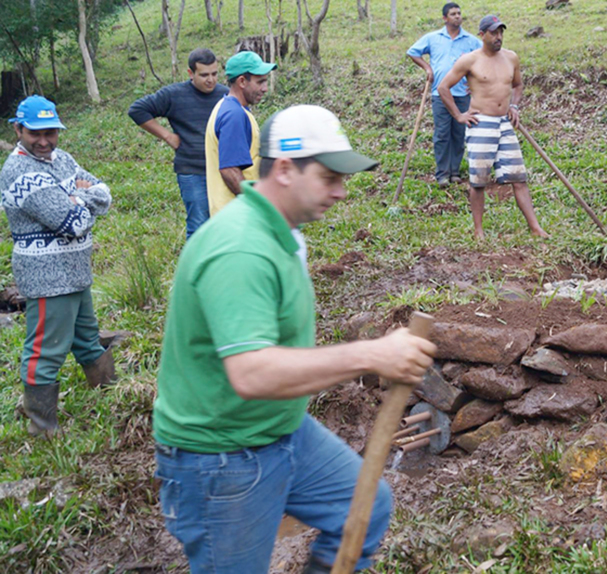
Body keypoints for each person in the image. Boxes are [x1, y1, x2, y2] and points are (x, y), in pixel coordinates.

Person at [152, 105, 437, 574]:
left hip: (281, 432)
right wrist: (372, 354)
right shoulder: (241, 248)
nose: (342, 192)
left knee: (362, 513)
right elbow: (253, 372)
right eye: (329, 177)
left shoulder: (281, 231)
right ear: (284, 168)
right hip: (221, 457)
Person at [1, 95, 116, 438]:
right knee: (45, 351)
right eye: (35, 133)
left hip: (76, 272)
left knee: (87, 341)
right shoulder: (20, 171)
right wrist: (80, 199)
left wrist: (78, 197)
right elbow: (73, 223)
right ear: (18, 129)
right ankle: (43, 428)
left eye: (50, 132)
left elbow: (104, 193)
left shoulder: (61, 159)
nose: (44, 141)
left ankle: (110, 400)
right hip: (49, 276)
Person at [437, 15, 548, 240]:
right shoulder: (469, 60)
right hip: (481, 122)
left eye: (501, 32)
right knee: (479, 180)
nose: (498, 37)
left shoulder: (511, 57)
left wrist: (514, 105)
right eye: (494, 33)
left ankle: (535, 228)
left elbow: (517, 85)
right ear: (482, 35)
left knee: (519, 177)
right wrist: (459, 115)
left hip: (505, 123)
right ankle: (479, 231)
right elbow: (443, 87)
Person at [129, 48, 229, 238]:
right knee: (198, 225)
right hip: (192, 170)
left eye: (215, 74)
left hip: (222, 171)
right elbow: (137, 110)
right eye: (204, 75)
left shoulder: (225, 96)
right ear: (191, 73)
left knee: (224, 223)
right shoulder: (174, 94)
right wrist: (167, 136)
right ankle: (196, 266)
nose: (211, 80)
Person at [407, 2, 483, 186]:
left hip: (462, 94)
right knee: (442, 134)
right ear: (444, 18)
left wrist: (475, 81)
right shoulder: (433, 38)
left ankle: (455, 171)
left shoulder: (471, 41)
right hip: (439, 94)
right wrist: (427, 68)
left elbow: (484, 58)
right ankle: (442, 173)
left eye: (459, 13)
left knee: (459, 132)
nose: (457, 16)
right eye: (453, 14)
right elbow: (412, 52)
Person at [205, 50, 276, 216]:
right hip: (236, 215)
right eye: (260, 82)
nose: (265, 89)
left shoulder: (229, 107)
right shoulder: (233, 115)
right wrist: (255, 205)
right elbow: (229, 169)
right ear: (242, 81)